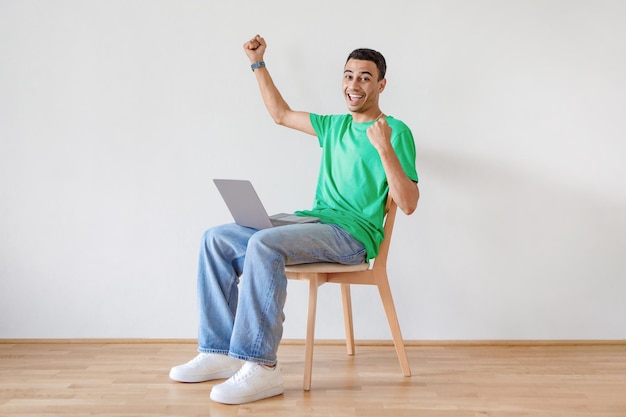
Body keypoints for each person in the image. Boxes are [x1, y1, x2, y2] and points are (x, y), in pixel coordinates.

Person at [169, 34, 420, 405]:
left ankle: (262, 367)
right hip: (313, 223)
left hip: (351, 237)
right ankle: (219, 351)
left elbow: (409, 203)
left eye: (365, 77)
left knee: (263, 243)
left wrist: (383, 148)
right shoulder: (333, 126)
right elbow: (281, 115)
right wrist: (258, 62)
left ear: (381, 84)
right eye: (349, 75)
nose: (354, 85)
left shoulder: (395, 132)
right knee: (216, 237)